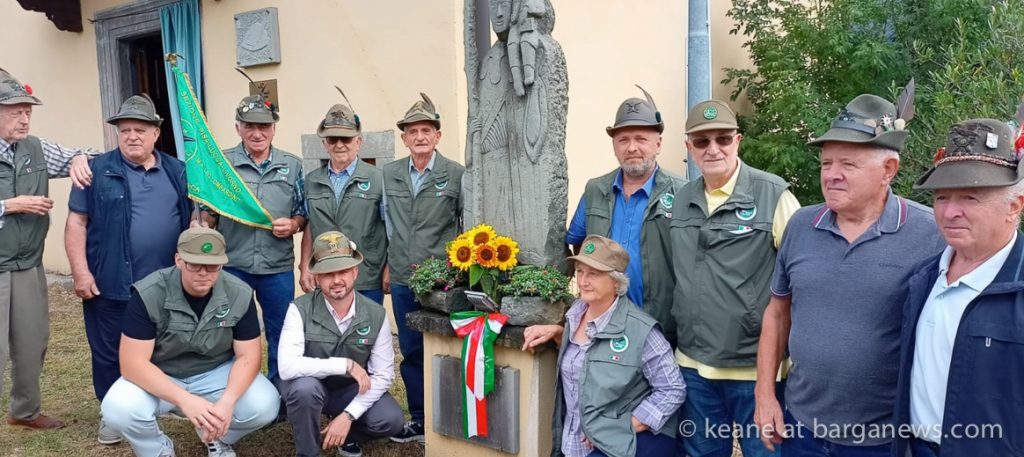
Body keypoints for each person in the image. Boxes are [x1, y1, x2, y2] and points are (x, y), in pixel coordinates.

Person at [754, 94, 945, 456]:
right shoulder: (801, 224)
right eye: (826, 163)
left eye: (848, 164)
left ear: (889, 169)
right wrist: (765, 395)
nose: (831, 175)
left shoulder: (930, 233)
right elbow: (777, 314)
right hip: (801, 428)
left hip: (883, 439)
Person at [671, 100, 800, 457]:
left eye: (723, 139)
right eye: (702, 141)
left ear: (738, 141)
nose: (713, 149)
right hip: (693, 366)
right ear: (689, 148)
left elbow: (802, 280)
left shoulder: (773, 195)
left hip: (754, 369)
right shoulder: (681, 200)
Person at [891, 118, 1024, 456]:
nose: (950, 212)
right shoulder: (923, 279)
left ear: (1014, 206)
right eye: (941, 197)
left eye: (970, 197)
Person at [64, 94, 191, 444]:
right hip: (112, 282)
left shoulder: (177, 170)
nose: (132, 136)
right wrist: (81, 272)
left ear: (156, 134)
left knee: (162, 349)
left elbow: (195, 215)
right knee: (108, 351)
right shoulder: (96, 170)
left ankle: (155, 407)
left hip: (166, 285)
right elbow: (76, 223)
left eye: (140, 129)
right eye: (125, 130)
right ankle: (111, 414)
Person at [100, 227, 279, 457]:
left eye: (212, 265)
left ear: (222, 264)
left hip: (215, 371)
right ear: (179, 260)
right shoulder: (150, 292)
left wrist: (227, 402)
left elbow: (249, 356)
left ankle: (215, 436)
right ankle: (157, 449)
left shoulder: (239, 293)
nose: (204, 273)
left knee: (266, 405)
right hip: (162, 372)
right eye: (194, 264)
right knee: (117, 409)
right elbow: (132, 363)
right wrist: (185, 400)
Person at [521, 235, 685, 457]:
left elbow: (672, 389)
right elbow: (588, 361)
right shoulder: (574, 316)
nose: (583, 281)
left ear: (616, 282)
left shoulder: (641, 330)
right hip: (571, 445)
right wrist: (560, 334)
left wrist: (621, 428)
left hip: (615, 447)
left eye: (594, 274)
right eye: (580, 271)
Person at [0, 69, 95, 430]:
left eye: (28, 112)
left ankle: (24, 412)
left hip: (27, 264)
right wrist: (10, 205)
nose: (24, 119)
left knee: (32, 340)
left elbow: (84, 155)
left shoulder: (35, 148)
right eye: (15, 112)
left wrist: (79, 159)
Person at [198, 93, 305, 383]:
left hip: (277, 267)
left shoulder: (292, 166)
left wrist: (294, 225)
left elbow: (302, 212)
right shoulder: (222, 164)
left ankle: (279, 391)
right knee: (230, 330)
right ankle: (236, 389)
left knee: (281, 331)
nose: (257, 133)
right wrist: (202, 227)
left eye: (264, 127)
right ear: (238, 128)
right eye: (249, 126)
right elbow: (208, 213)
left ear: (274, 129)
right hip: (234, 265)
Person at [565, 87, 683, 345]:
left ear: (658, 144)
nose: (632, 147)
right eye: (623, 140)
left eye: (641, 139)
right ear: (614, 146)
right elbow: (576, 243)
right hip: (603, 324)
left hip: (662, 326)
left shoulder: (683, 192)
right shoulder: (595, 189)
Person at [382, 93, 465, 443]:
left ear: (438, 136)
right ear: (403, 138)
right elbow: (383, 224)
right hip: (402, 276)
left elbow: (466, 225)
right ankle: (419, 417)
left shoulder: (456, 174)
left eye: (426, 130)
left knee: (445, 348)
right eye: (412, 131)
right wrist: (387, 265)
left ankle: (449, 417)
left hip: (441, 282)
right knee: (412, 348)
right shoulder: (389, 174)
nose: (419, 137)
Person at [280, 231, 404, 457]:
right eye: (328, 274)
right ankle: (308, 451)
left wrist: (349, 415)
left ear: (355, 272)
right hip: (310, 386)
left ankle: (340, 433)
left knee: (391, 420)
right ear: (317, 277)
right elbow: (287, 367)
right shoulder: (299, 309)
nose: (337, 280)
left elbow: (383, 375)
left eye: (344, 271)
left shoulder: (376, 314)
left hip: (349, 390)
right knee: (304, 389)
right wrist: (344, 365)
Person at [299, 96, 388, 305]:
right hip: (326, 274)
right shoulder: (312, 180)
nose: (339, 145)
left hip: (367, 275)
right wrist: (305, 266)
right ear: (324, 144)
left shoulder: (379, 178)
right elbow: (311, 226)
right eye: (332, 139)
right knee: (328, 333)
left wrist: (389, 268)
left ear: (358, 142)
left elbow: (391, 228)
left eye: (346, 139)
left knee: (366, 334)